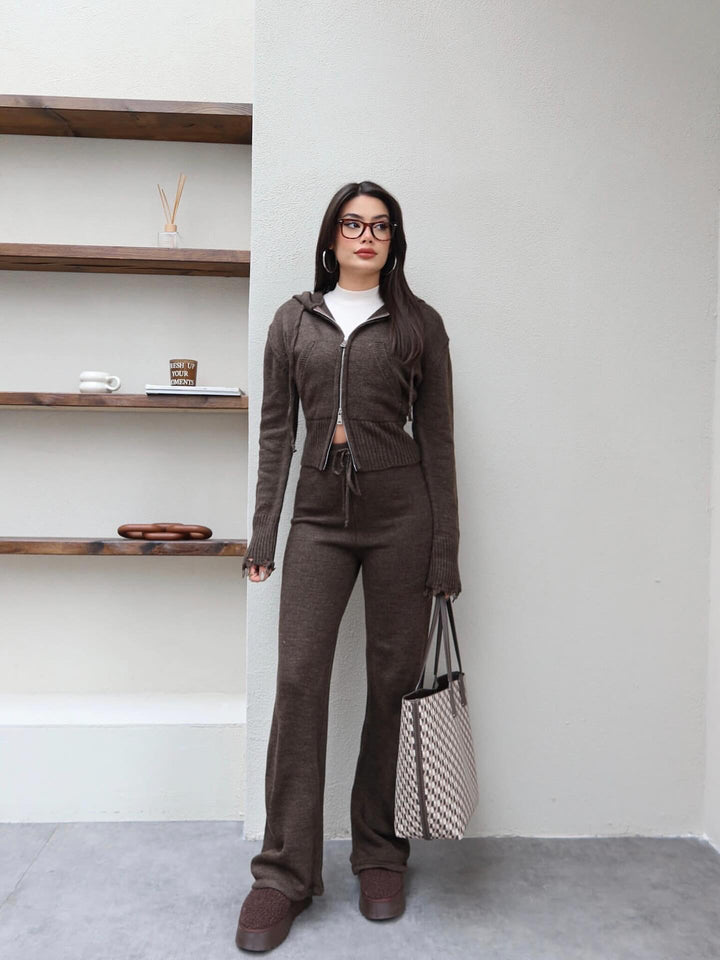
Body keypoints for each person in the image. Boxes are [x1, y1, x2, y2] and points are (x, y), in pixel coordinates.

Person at [235, 180, 462, 952]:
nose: (367, 235)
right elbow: (276, 435)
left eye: (382, 226)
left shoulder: (419, 325)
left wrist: (443, 549)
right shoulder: (293, 321)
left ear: (394, 242)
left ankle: (380, 853)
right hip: (318, 520)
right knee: (299, 683)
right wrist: (263, 537)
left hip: (403, 519)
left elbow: (438, 441)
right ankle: (283, 874)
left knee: (392, 684)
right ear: (332, 236)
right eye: (353, 223)